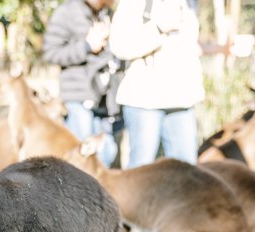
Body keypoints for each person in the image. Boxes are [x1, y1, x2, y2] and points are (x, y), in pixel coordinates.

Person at [109, 0, 205, 168]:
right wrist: (158, 28)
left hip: (182, 100)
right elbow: (119, 45)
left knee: (188, 175)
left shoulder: (190, 4)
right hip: (143, 100)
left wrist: (224, 48)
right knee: (142, 172)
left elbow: (190, 46)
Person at [42, 0, 121, 167]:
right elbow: (50, 53)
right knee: (81, 160)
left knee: (107, 154)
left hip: (104, 100)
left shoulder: (107, 13)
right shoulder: (66, 13)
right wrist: (86, 46)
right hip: (78, 99)